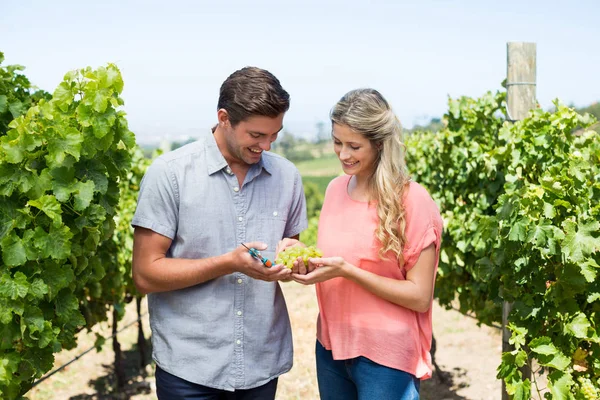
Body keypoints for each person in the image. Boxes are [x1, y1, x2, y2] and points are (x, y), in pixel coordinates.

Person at [131, 66, 308, 399]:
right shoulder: (169, 175)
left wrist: (290, 263)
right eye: (256, 135)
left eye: (275, 135)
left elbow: (285, 256)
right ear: (224, 118)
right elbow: (145, 274)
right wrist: (230, 263)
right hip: (189, 368)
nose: (266, 145)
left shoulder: (288, 176)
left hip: (261, 362)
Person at [277, 88, 443, 400]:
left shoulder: (412, 200)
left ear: (379, 144)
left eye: (354, 146)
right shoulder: (335, 189)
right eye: (337, 142)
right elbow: (341, 257)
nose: (342, 154)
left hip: (385, 355)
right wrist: (301, 256)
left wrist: (347, 271)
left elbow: (419, 296)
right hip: (331, 345)